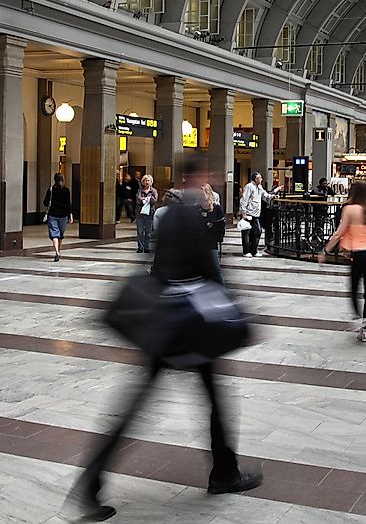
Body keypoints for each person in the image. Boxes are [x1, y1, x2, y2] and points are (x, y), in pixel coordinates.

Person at [67, 155, 262, 522]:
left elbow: (158, 266)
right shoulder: (189, 214)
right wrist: (233, 308)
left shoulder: (168, 214)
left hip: (168, 323)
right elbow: (211, 265)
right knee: (210, 403)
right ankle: (224, 473)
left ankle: (92, 482)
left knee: (139, 405)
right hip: (189, 327)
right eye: (209, 175)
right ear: (198, 177)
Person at [318, 180, 366, 343]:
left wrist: (325, 251)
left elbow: (338, 233)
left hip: (357, 255)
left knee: (353, 288)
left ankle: (358, 316)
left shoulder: (349, 210)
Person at [239, 172, 280, 258]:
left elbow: (265, 195)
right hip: (248, 214)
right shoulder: (249, 186)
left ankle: (253, 250)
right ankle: (247, 251)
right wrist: (244, 213)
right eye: (260, 178)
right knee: (247, 233)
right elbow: (244, 200)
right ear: (256, 179)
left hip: (256, 214)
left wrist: (273, 196)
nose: (261, 179)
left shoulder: (259, 187)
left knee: (257, 232)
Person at [42, 173, 72, 262]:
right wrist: (70, 215)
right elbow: (68, 204)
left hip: (53, 215)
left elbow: (45, 203)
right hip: (63, 215)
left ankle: (57, 253)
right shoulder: (66, 190)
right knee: (60, 235)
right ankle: (59, 251)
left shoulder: (51, 190)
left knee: (54, 233)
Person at [201, 182, 225, 283]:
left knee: (215, 270)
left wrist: (212, 226)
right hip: (197, 243)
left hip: (211, 243)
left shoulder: (216, 208)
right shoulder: (195, 208)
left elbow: (221, 226)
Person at [134, 174, 158, 253]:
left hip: (149, 213)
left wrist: (147, 199)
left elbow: (154, 200)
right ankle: (140, 248)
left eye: (148, 180)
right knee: (140, 231)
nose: (147, 182)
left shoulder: (153, 191)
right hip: (140, 214)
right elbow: (138, 199)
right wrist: (145, 199)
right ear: (143, 182)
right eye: (145, 180)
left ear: (151, 182)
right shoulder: (139, 190)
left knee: (148, 232)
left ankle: (146, 247)